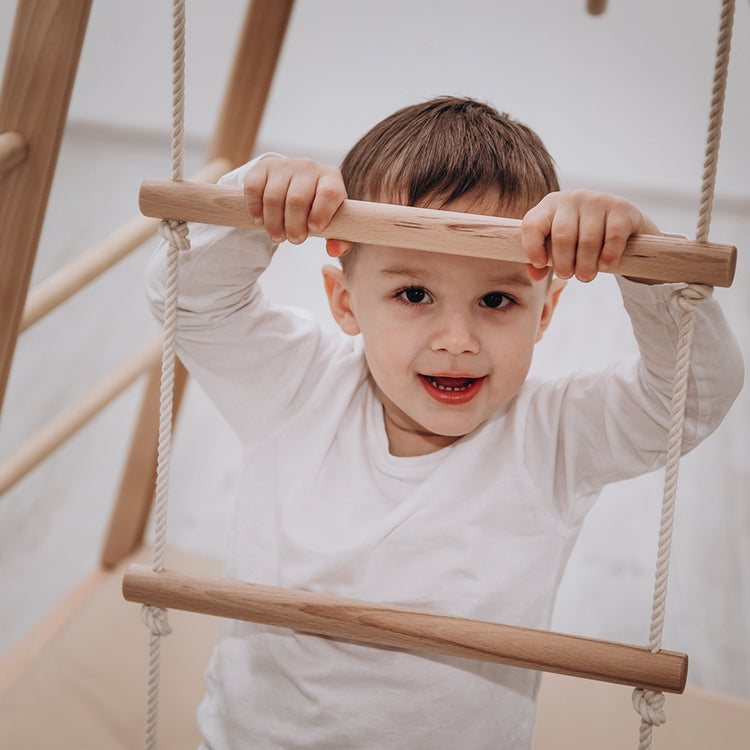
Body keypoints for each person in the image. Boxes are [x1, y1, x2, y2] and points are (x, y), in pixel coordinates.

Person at [146, 97, 743, 750]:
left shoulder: (555, 436)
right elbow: (189, 301)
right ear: (346, 302)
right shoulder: (298, 388)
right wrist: (255, 199)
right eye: (413, 294)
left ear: (544, 314)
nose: (456, 339)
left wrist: (642, 260)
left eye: (496, 300)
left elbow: (691, 397)